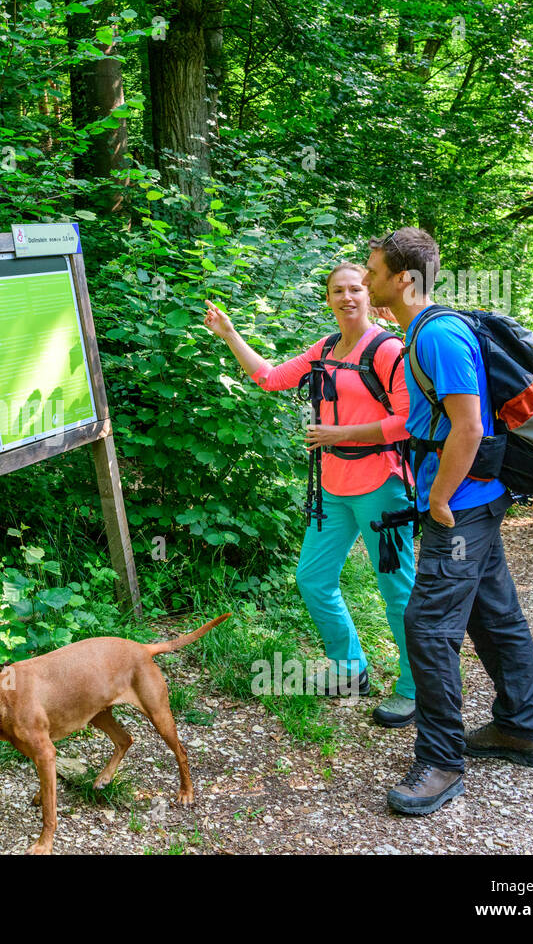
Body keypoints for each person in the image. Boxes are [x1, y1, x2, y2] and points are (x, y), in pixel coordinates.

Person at [363, 228, 533, 817]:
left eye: (372, 272)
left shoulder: (437, 334)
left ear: (403, 280)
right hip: (477, 501)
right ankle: (520, 728)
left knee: (428, 626)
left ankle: (441, 762)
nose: (365, 282)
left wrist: (439, 499)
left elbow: (467, 426)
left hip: (462, 507)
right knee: (495, 616)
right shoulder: (423, 330)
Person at [204, 263, 418, 725]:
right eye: (338, 290)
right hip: (332, 488)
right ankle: (349, 671)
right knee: (313, 579)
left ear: (371, 294)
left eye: (356, 289)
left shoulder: (389, 349)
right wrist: (229, 334)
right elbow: (268, 377)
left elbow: (407, 419)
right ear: (328, 298)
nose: (347, 297)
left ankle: (415, 685)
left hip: (382, 485)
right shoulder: (323, 349)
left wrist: (340, 434)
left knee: (397, 591)